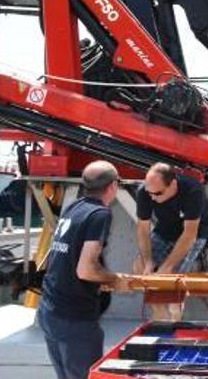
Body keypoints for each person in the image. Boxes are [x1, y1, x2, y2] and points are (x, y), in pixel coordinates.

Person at [38, 161, 130, 379]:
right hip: (74, 319)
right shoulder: (100, 214)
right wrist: (116, 279)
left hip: (50, 310)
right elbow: (85, 270)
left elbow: (61, 257)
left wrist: (102, 281)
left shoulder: (73, 207)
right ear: (112, 186)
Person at [134, 162, 208, 320]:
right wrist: (148, 261)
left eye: (158, 193)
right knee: (139, 266)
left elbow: (189, 235)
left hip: (193, 233)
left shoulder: (193, 191)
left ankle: (175, 317)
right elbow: (143, 230)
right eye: (150, 193)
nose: (153, 198)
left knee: (174, 278)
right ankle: (159, 314)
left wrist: (166, 267)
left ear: (173, 184)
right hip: (165, 229)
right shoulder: (145, 191)